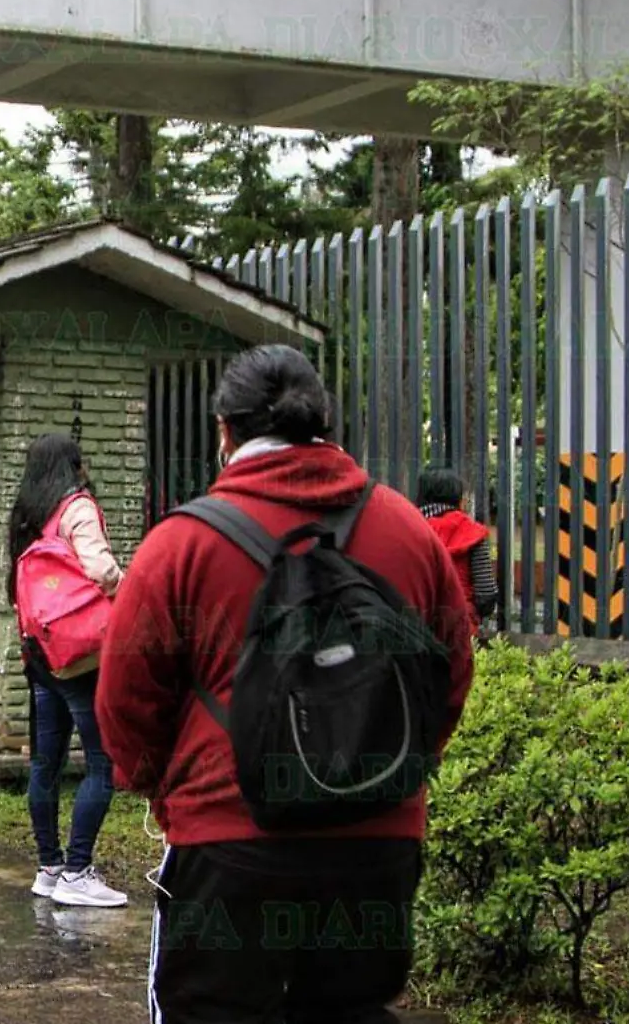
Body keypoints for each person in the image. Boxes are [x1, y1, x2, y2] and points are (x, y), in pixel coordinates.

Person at [97, 344, 475, 1023]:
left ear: (224, 431)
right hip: (377, 849)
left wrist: (167, 787)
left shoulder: (179, 545)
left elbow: (125, 701)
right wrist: (391, 770)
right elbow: (448, 674)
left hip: (230, 846)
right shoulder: (408, 536)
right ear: (325, 423)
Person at [5, 433, 128, 908]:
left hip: (40, 654)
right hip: (82, 658)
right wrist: (130, 587)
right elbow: (101, 569)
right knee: (103, 761)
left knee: (46, 763)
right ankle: (78, 871)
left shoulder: (26, 516)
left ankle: (49, 867)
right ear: (74, 466)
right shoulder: (77, 507)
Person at [416, 466, 499, 640]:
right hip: (460, 628)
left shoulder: (407, 528)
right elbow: (486, 594)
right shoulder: (473, 533)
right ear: (458, 499)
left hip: (414, 626)